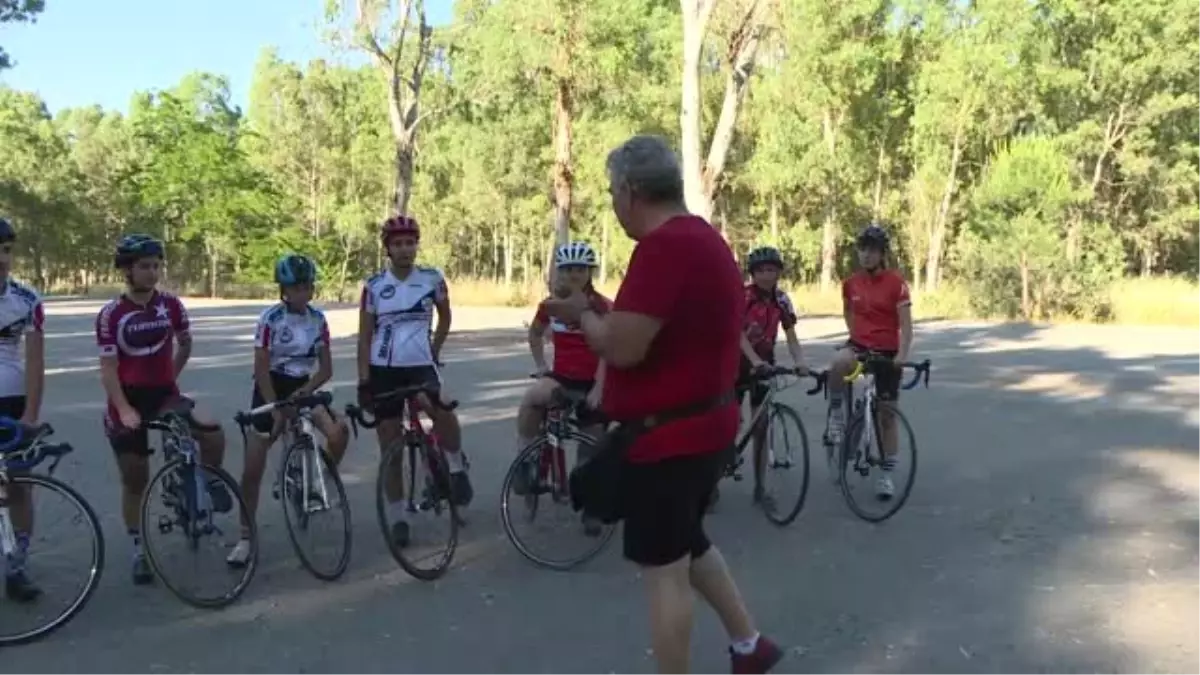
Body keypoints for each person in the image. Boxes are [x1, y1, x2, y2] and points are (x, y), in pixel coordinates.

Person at [543, 135, 783, 675]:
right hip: (702, 427)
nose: (611, 202)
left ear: (630, 191)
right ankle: (749, 644)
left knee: (664, 573)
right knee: (690, 544)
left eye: (611, 191)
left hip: (668, 440)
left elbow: (623, 347)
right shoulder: (703, 238)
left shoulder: (665, 248)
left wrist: (581, 313)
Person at [96, 234, 231, 585]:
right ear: (127, 270)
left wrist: (171, 376)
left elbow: (185, 343)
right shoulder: (112, 314)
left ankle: (209, 481)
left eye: (156, 265)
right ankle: (139, 549)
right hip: (126, 398)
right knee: (135, 477)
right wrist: (124, 409)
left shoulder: (171, 305)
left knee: (213, 433)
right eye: (144, 266)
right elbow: (108, 371)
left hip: (164, 394)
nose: (152, 272)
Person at [356, 215, 472, 549]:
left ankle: (454, 465)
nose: (405, 249)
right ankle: (398, 517)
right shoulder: (374, 286)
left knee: (442, 408)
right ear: (388, 249)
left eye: (410, 242)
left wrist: (434, 349)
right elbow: (365, 338)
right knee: (389, 446)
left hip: (421, 364)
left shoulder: (432, 279)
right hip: (384, 369)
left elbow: (446, 316)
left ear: (416, 244)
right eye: (398, 244)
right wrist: (364, 380)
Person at [226, 254, 350, 568]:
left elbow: (326, 368)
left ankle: (323, 476)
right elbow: (261, 367)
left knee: (339, 431)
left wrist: (305, 393)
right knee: (253, 468)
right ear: (284, 289)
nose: (303, 292)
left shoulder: (317, 320)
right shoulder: (270, 319)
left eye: (308, 286)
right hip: (270, 388)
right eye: (296, 287)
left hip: (302, 386)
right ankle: (244, 537)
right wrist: (277, 408)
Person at [516, 241, 610, 534]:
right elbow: (534, 334)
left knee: (592, 445)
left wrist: (598, 388)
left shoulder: (603, 306)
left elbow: (608, 350)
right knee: (532, 398)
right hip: (562, 376)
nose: (573, 275)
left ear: (589, 272)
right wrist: (541, 366)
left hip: (594, 378)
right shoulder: (550, 306)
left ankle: (591, 507)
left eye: (580, 270)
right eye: (568, 269)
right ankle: (526, 460)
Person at [826, 223, 914, 498]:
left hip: (887, 352)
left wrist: (901, 356)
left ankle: (886, 476)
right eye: (862, 249)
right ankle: (838, 414)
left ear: (882, 254)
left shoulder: (896, 284)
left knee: (887, 416)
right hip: (860, 347)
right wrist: (855, 336)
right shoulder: (849, 283)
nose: (866, 255)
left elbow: (907, 327)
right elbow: (848, 313)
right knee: (839, 362)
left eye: (872, 250)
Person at [738, 246, 807, 506]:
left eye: (771, 270)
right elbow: (736, 332)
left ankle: (760, 487)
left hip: (764, 364)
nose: (766, 276)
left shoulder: (782, 300)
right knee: (729, 424)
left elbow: (790, 335)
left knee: (762, 426)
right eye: (761, 271)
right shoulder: (743, 297)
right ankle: (711, 482)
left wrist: (799, 361)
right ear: (753, 274)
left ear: (778, 273)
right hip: (735, 364)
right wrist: (752, 360)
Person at [0, 218, 45, 602]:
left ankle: (18, 564)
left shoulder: (27, 299)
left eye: (7, 250)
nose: (2, 259)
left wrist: (31, 414)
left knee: (19, 486)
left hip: (12, 401)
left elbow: (34, 363)